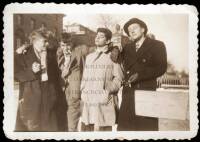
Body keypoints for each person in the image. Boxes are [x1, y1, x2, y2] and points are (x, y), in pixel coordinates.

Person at [117, 18, 167, 131]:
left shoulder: (157, 45)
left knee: (146, 129)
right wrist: (114, 50)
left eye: (134, 28)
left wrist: (140, 75)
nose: (132, 31)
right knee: (126, 131)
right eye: (129, 30)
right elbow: (118, 62)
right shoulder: (127, 47)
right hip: (128, 95)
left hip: (146, 94)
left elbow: (161, 67)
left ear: (143, 29)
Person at [14, 30, 59, 131]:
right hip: (31, 96)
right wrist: (31, 71)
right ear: (35, 41)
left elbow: (55, 74)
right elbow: (15, 74)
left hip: (48, 95)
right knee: (31, 127)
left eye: (47, 41)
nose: (47, 44)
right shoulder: (24, 53)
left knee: (48, 126)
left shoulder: (51, 53)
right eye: (44, 41)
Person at [80, 28, 123, 131]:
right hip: (88, 100)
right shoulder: (89, 57)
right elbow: (84, 77)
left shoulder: (113, 56)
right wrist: (83, 90)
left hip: (103, 100)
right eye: (97, 35)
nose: (97, 38)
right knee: (86, 130)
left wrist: (108, 90)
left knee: (103, 131)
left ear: (108, 41)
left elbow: (119, 78)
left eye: (101, 36)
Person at [56, 32, 85, 131]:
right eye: (63, 45)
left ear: (72, 44)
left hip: (74, 93)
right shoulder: (57, 55)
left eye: (68, 45)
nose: (65, 48)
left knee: (71, 125)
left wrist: (114, 47)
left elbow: (94, 48)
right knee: (60, 123)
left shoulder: (79, 52)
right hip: (60, 93)